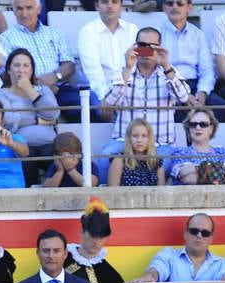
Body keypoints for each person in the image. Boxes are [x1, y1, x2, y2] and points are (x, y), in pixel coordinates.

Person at [99, 26, 190, 184]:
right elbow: (111, 103)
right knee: (105, 157)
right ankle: (103, 203)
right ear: (135, 46)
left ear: (159, 48)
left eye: (152, 46)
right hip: (124, 141)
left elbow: (183, 97)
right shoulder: (123, 71)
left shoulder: (170, 72)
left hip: (161, 144)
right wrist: (128, 68)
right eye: (143, 45)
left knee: (164, 164)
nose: (147, 50)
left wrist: (167, 66)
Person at [0, 0, 78, 119]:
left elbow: (69, 65)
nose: (24, 14)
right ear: (14, 11)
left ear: (39, 9)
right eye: (20, 9)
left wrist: (55, 77)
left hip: (59, 88)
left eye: (29, 8)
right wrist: (41, 85)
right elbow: (6, 72)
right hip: (25, 93)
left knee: (84, 108)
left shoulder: (55, 33)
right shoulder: (5, 38)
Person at [0, 48, 58, 186]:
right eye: (16, 65)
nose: (21, 70)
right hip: (20, 146)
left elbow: (52, 113)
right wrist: (37, 119)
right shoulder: (0, 93)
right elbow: (8, 120)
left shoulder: (43, 90)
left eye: (26, 65)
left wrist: (29, 90)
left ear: (32, 70)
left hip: (48, 143)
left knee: (58, 160)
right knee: (27, 163)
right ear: (9, 70)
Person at [130, 213, 225, 283]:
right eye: (194, 231)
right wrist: (150, 276)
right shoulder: (169, 255)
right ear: (185, 234)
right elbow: (157, 269)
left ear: (211, 238)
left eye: (205, 233)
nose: (199, 236)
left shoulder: (221, 263)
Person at [76, 0, 137, 118]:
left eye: (114, 2)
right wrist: (105, 97)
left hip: (127, 86)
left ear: (121, 6)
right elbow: (92, 70)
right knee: (112, 111)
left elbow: (136, 64)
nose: (110, 6)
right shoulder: (88, 31)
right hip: (97, 90)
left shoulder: (132, 29)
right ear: (97, 6)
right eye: (105, 2)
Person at [159, 0, 220, 110]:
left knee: (221, 106)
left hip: (194, 84)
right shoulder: (157, 34)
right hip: (168, 85)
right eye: (170, 3)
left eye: (180, 4)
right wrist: (184, 95)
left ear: (189, 7)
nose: (174, 7)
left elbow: (207, 70)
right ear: (164, 7)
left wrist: (202, 92)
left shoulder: (198, 34)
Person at [63, 197, 125, 283]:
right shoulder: (61, 259)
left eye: (101, 237)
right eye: (92, 235)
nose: (96, 241)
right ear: (82, 231)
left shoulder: (110, 275)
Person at [11, 229, 93, 283]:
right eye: (46, 251)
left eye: (56, 251)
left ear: (65, 254)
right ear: (38, 253)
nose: (51, 256)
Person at [169, 107, 225, 185]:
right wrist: (219, 172)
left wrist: (197, 169)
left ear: (211, 128)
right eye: (193, 124)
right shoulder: (179, 152)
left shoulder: (224, 151)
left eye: (203, 124)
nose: (198, 128)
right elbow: (188, 178)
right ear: (188, 128)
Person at [107, 118, 165, 187]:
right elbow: (113, 192)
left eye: (144, 136)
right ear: (129, 138)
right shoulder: (119, 160)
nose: (139, 140)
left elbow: (161, 193)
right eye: (135, 136)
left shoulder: (157, 162)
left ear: (149, 138)